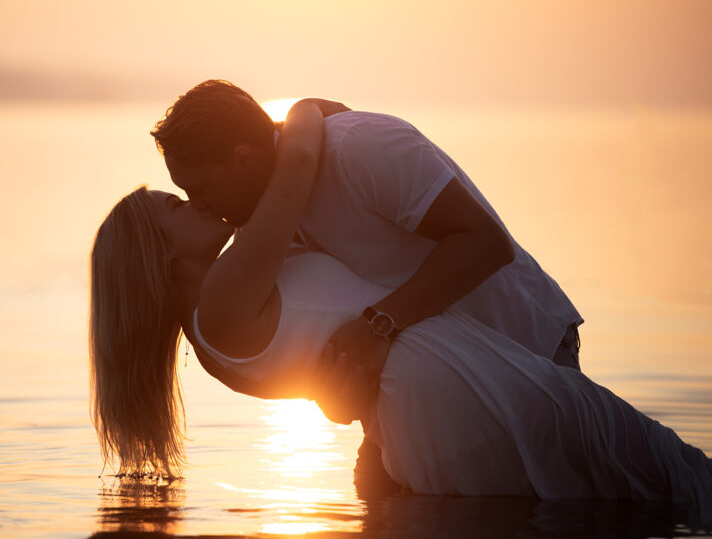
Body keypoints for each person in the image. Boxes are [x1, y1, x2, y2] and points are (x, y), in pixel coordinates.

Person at [89, 101, 712, 522]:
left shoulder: (244, 280)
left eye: (194, 191)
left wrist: (361, 354)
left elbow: (328, 360)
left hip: (500, 352)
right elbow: (299, 165)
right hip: (454, 388)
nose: (202, 206)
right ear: (159, 256)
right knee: (639, 485)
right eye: (182, 204)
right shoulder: (231, 287)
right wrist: (306, 107)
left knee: (617, 483)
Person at [150, 79, 584, 474]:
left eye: (199, 189)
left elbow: (486, 244)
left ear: (242, 159)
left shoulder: (357, 148)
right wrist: (337, 396)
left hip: (527, 345)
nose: (199, 205)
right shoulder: (261, 232)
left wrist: (378, 324)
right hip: (438, 389)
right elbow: (328, 349)